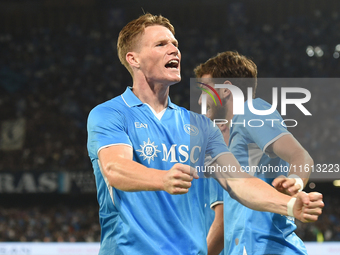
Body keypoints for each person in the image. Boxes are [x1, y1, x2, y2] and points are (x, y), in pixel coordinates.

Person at [87, 14, 323, 255]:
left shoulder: (202, 126)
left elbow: (239, 183)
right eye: (161, 44)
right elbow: (115, 169)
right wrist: (162, 179)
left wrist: (291, 205)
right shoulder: (110, 114)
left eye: (175, 44)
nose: (174, 50)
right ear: (133, 58)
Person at [194, 51, 316, 255]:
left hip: (269, 248)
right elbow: (223, 222)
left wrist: (295, 181)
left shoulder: (251, 111)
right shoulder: (222, 145)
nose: (199, 100)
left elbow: (301, 156)